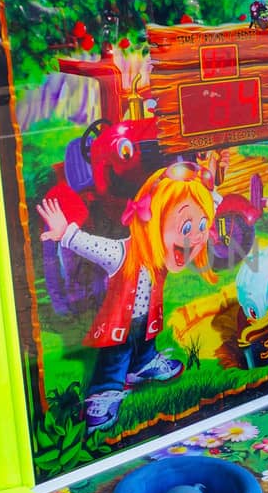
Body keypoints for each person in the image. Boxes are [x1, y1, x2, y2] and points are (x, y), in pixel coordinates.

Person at [37, 161, 216, 430]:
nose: (196, 238)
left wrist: (213, 183)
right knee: (115, 360)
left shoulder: (161, 257)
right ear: (151, 220)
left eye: (201, 226)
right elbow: (94, 246)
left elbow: (208, 205)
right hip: (120, 325)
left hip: (147, 319)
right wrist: (67, 233)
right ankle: (104, 394)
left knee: (146, 344)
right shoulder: (123, 254)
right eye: (187, 228)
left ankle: (144, 365)